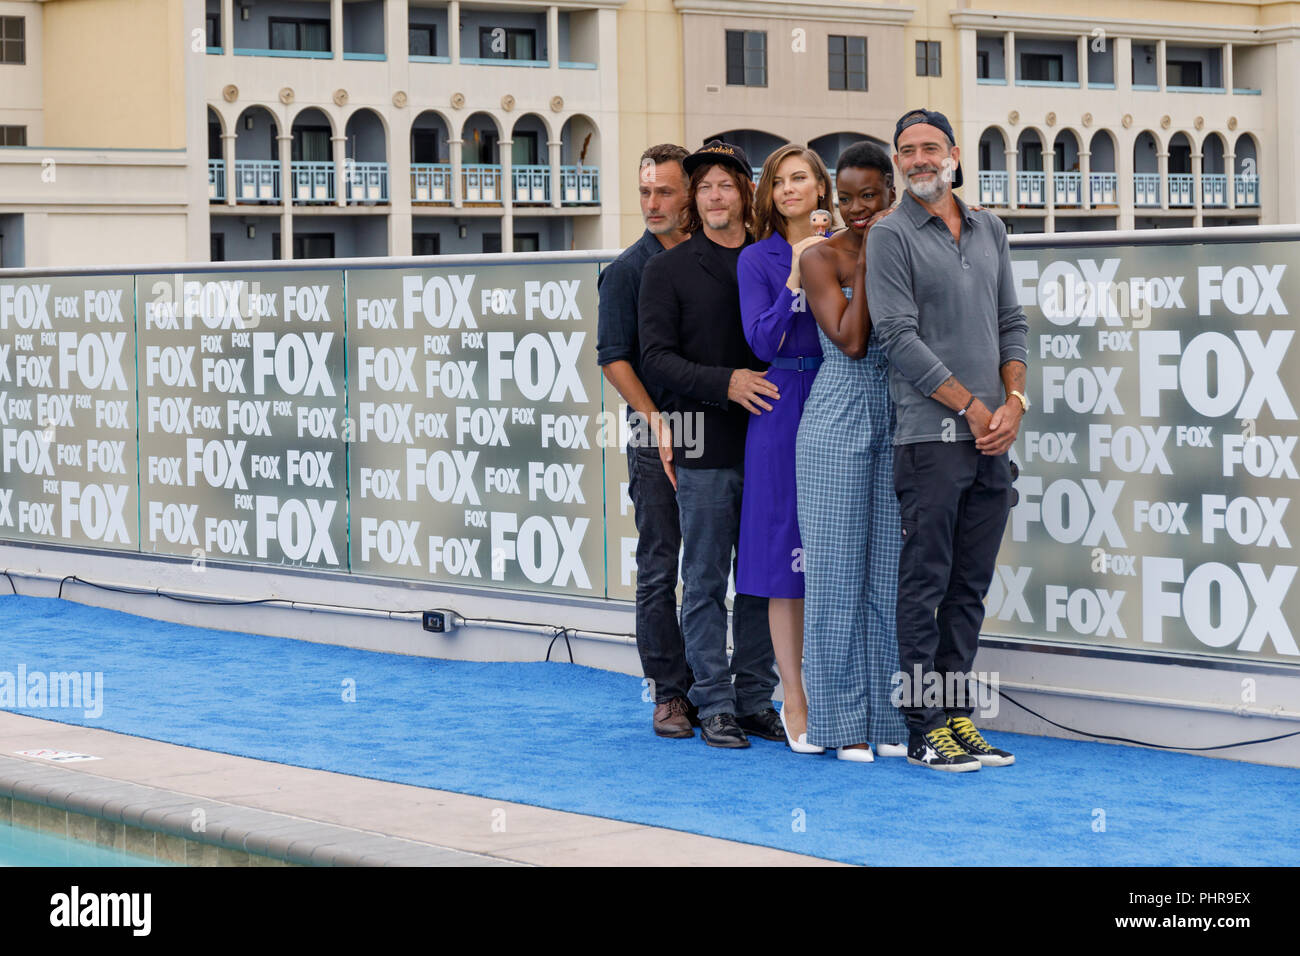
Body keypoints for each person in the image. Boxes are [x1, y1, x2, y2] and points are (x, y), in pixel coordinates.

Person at [866, 109, 1029, 772]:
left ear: (955, 154)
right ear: (899, 163)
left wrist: (1013, 402)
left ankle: (957, 715)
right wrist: (969, 407)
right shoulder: (889, 235)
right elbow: (897, 338)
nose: (918, 159)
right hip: (930, 438)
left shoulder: (990, 228)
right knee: (925, 584)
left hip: (992, 439)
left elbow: (1011, 322)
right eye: (907, 151)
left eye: (930, 147)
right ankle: (922, 725)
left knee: (969, 585)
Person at [638, 140, 782, 749]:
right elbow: (655, 359)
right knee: (702, 580)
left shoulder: (770, 259)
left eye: (726, 184)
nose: (716, 195)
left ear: (746, 192)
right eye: (705, 187)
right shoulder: (665, 269)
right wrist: (727, 383)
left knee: (760, 579)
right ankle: (713, 702)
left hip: (771, 441)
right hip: (703, 443)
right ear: (695, 200)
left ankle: (754, 699)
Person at [795, 141, 909, 762]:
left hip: (899, 417)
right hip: (836, 419)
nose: (858, 207)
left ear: (890, 192)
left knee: (889, 575)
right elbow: (851, 340)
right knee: (837, 575)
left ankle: (889, 721)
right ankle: (839, 723)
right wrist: (868, 262)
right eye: (847, 197)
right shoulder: (820, 257)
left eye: (870, 195)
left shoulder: (908, 249)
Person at [735, 144, 836, 754]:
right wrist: (796, 276)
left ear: (821, 188)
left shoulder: (855, 245)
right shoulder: (757, 259)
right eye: (778, 183)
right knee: (784, 557)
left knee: (840, 552)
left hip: (841, 395)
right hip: (780, 403)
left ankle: (838, 693)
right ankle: (791, 696)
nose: (790, 190)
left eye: (801, 179)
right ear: (768, 198)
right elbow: (761, 339)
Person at [596, 144, 699, 738]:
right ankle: (669, 693)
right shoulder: (627, 271)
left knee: (719, 565)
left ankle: (726, 686)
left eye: (664, 191)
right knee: (661, 564)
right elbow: (613, 360)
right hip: (654, 429)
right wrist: (658, 422)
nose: (652, 203)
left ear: (689, 194)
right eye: (644, 192)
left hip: (721, 429)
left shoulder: (715, 257)